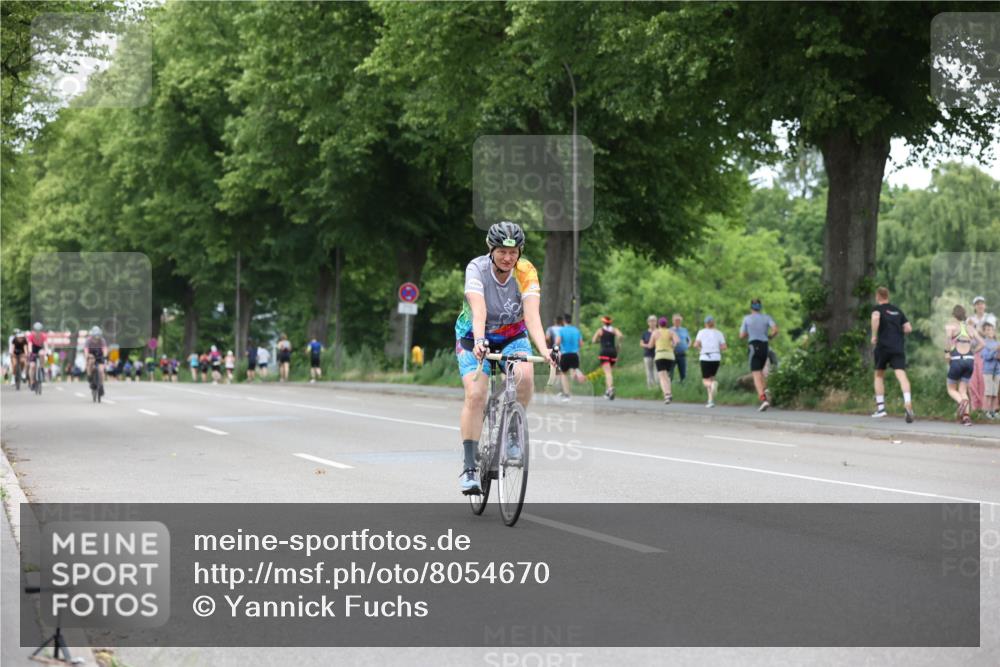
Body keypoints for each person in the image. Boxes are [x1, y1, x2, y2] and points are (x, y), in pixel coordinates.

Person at [454, 221, 556, 495]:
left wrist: (545, 351)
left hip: (513, 336)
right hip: (474, 335)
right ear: (491, 249)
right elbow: (479, 311)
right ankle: (469, 467)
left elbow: (532, 316)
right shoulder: (477, 268)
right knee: (476, 395)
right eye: (502, 252)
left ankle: (512, 434)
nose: (508, 258)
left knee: (524, 377)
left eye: (514, 252)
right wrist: (478, 341)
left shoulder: (526, 271)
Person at [870, 287, 914, 422]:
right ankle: (908, 403)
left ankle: (881, 409)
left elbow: (875, 318)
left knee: (878, 375)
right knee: (901, 375)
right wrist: (897, 332)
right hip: (898, 347)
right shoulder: (897, 310)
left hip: (883, 346)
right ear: (887, 296)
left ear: (878, 296)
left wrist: (874, 336)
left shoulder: (877, 309)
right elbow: (908, 328)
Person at [945, 305, 985, 426]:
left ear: (953, 315)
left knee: (951, 389)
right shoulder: (970, 328)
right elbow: (983, 343)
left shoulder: (951, 326)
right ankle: (966, 418)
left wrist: (947, 352)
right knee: (963, 390)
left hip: (957, 360)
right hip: (969, 361)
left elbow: (947, 341)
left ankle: (962, 402)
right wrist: (973, 352)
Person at [739, 298, 778, 412]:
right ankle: (766, 390)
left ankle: (763, 400)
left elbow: (741, 335)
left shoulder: (747, 319)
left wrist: (750, 332)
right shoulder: (767, 318)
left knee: (756, 375)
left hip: (753, 347)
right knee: (761, 372)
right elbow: (775, 330)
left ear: (751, 307)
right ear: (760, 308)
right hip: (765, 347)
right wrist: (770, 336)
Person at [694, 315, 727, 408]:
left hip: (705, 357)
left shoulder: (701, 332)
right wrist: (716, 347)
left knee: (706, 381)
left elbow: (696, 344)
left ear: (705, 324)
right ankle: (710, 401)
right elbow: (724, 347)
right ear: (713, 323)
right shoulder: (719, 333)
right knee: (712, 378)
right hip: (716, 357)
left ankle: (712, 385)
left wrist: (701, 349)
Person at [967, 296, 993, 412]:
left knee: (984, 380)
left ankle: (986, 408)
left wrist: (976, 328)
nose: (980, 306)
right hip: (973, 352)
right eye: (977, 304)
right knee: (972, 381)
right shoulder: (969, 319)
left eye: (982, 303)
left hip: (987, 353)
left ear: (985, 305)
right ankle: (974, 408)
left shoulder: (990, 318)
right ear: (974, 306)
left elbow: (990, 334)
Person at [650, 317, 680, 404]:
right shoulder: (671, 332)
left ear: (658, 324)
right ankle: (669, 393)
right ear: (666, 324)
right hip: (670, 356)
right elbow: (677, 341)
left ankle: (667, 395)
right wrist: (673, 345)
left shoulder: (655, 332)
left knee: (662, 376)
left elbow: (650, 345)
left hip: (660, 355)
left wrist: (645, 344)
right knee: (667, 376)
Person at [592, 316, 623, 399]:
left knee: (607, 373)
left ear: (603, 322)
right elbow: (620, 336)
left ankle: (610, 389)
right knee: (609, 373)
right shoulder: (614, 330)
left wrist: (600, 340)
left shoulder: (600, 330)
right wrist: (618, 345)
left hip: (604, 352)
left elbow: (593, 340)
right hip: (613, 352)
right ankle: (607, 393)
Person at [555, 313, 584, 401]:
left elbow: (557, 342)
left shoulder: (561, 330)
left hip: (565, 354)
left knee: (563, 374)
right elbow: (581, 344)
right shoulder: (576, 330)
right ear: (571, 321)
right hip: (575, 354)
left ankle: (567, 394)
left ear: (564, 321)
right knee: (573, 369)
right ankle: (577, 372)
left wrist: (555, 349)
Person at [980, 316, 998, 420]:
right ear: (984, 332)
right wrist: (994, 351)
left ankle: (993, 411)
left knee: (994, 392)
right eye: (987, 330)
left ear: (994, 330)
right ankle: (986, 411)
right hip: (988, 371)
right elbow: (985, 356)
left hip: (997, 371)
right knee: (988, 392)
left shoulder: (997, 343)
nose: (989, 331)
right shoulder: (984, 343)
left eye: (991, 329)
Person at [84, 326, 108, 396]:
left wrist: (105, 355)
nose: (96, 338)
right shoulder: (88, 340)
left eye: (98, 336)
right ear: (92, 336)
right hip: (91, 354)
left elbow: (105, 349)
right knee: (90, 363)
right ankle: (90, 376)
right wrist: (87, 355)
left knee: (101, 370)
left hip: (99, 354)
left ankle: (101, 385)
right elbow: (86, 350)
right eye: (95, 336)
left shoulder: (102, 340)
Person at [26, 322, 49, 391]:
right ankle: (32, 381)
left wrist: (46, 352)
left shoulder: (44, 336)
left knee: (42, 354)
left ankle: (41, 368)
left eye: (39, 331)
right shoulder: (31, 336)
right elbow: (29, 345)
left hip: (40, 348)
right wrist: (30, 352)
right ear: (34, 331)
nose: (38, 333)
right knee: (32, 366)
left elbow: (45, 345)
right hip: (33, 349)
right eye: (36, 331)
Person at [670, 314, 691, 384]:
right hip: (672, 354)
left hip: (682, 354)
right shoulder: (669, 330)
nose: (678, 322)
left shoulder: (684, 330)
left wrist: (687, 346)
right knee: (670, 372)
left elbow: (689, 340)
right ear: (673, 321)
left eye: (679, 320)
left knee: (683, 372)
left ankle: (683, 387)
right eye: (676, 320)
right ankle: (669, 387)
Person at [545, 315, 564, 387]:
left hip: (554, 349)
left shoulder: (550, 329)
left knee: (553, 366)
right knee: (560, 368)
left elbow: (547, 338)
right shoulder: (564, 329)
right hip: (563, 350)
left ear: (555, 321)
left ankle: (553, 384)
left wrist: (548, 344)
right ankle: (559, 385)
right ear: (562, 322)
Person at [640, 315, 657, 388]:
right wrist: (648, 345)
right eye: (651, 321)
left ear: (656, 322)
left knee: (656, 371)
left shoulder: (658, 331)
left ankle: (657, 387)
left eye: (654, 321)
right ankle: (650, 387)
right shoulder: (645, 333)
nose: (652, 323)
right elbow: (641, 343)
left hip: (657, 354)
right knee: (648, 371)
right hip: (647, 354)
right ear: (648, 323)